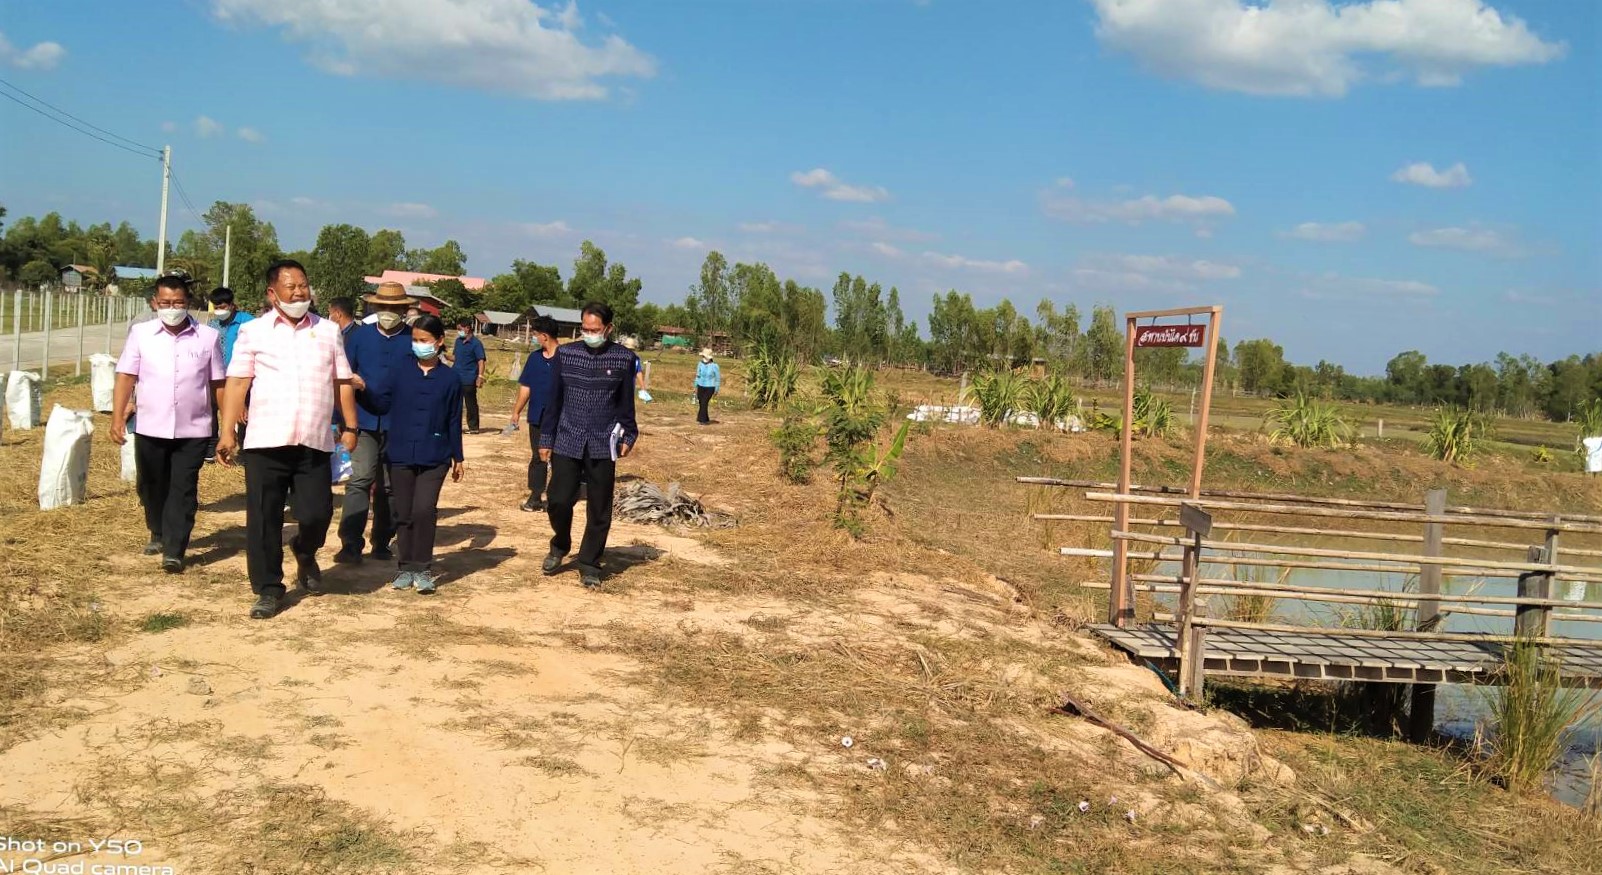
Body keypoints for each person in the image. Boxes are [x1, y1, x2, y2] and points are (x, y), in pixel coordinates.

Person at [217, 259, 359, 620]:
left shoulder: (328, 331)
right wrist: (227, 430)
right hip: (266, 439)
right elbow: (237, 382)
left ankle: (305, 550)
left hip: (313, 439)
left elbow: (342, 380)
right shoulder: (254, 332)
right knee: (264, 517)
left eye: (303, 285)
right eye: (290, 286)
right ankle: (268, 587)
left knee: (317, 513)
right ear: (272, 293)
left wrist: (351, 425)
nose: (299, 292)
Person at [111, 275, 226, 573]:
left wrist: (227, 426)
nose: (171, 308)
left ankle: (175, 549)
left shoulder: (207, 337)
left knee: (183, 488)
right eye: (165, 303)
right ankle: (157, 530)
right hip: (150, 425)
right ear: (154, 303)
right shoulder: (141, 334)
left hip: (194, 428)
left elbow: (218, 383)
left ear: (188, 303)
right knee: (151, 484)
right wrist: (117, 415)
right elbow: (126, 376)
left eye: (177, 303)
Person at [539, 301, 638, 589]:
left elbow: (625, 403)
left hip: (602, 441)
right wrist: (546, 438)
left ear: (608, 328)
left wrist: (629, 435)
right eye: (585, 329)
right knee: (558, 499)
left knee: (599, 507)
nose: (589, 334)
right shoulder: (566, 354)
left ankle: (589, 562)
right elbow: (553, 400)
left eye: (595, 329)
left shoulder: (623, 358)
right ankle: (560, 544)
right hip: (567, 438)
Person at [362, 314, 465, 593]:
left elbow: (454, 420)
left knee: (424, 510)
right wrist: (361, 390)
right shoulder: (399, 370)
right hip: (400, 452)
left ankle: (423, 568)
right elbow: (381, 403)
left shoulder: (450, 379)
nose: (419, 345)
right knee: (404, 511)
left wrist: (459, 457)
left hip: (436, 454)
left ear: (439, 342)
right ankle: (405, 567)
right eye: (415, 340)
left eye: (425, 340)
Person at [333, 282, 416, 565]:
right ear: (375, 307)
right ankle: (350, 543)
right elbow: (342, 377)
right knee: (360, 479)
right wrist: (340, 422)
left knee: (390, 487)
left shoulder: (414, 339)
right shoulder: (359, 337)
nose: (388, 313)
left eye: (394, 309)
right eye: (384, 308)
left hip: (400, 423)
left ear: (404, 310)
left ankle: (382, 540)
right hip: (363, 420)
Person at [509, 315, 560, 512]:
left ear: (545, 336)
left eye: (536, 335)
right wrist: (516, 411)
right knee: (538, 456)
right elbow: (526, 387)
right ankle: (536, 496)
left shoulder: (566, 358)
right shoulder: (535, 358)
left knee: (560, 458)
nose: (535, 338)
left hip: (561, 417)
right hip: (538, 416)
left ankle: (558, 497)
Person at [205, 287, 254, 461]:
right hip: (217, 376)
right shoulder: (212, 325)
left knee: (243, 413)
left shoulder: (248, 322)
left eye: (223, 306)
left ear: (232, 305)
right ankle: (211, 447)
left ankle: (244, 449)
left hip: (242, 377)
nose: (219, 311)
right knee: (212, 409)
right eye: (216, 307)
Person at [450, 319, 487, 432]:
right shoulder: (458, 342)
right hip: (456, 377)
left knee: (470, 403)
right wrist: (444, 357)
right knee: (455, 404)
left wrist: (480, 376)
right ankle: (455, 426)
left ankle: (473, 427)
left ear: (467, 328)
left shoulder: (476, 344)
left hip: (469, 378)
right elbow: (455, 357)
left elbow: (481, 361)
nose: (459, 331)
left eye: (460, 329)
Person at [694, 348, 721, 425]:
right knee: (701, 402)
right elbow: (697, 376)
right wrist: (695, 386)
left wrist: (716, 389)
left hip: (710, 387)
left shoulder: (715, 366)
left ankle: (701, 420)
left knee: (704, 402)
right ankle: (705, 419)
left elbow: (717, 378)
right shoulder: (700, 364)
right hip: (700, 386)